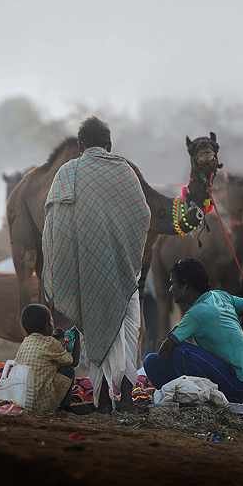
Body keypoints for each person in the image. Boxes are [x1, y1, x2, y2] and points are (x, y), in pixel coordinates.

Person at [42, 116, 150, 413]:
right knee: (128, 333)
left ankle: (102, 401)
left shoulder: (68, 172)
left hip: (86, 274)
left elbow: (54, 225)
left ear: (80, 146)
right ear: (109, 145)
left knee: (91, 334)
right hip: (123, 272)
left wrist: (69, 260)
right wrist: (125, 254)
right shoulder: (124, 172)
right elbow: (143, 216)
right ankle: (126, 399)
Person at [142, 258, 243, 404]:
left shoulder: (195, 314)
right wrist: (237, 334)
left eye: (173, 283)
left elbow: (164, 352)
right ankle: (185, 396)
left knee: (181, 351)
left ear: (185, 284)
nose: (170, 289)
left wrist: (175, 340)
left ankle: (200, 399)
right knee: (150, 362)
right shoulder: (220, 296)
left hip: (238, 386)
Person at [13, 303, 81, 412]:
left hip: (23, 400)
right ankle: (63, 407)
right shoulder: (50, 343)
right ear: (47, 326)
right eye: (52, 322)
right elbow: (74, 362)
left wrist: (54, 338)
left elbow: (44, 349)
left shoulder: (26, 342)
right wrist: (77, 334)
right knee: (68, 370)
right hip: (41, 404)